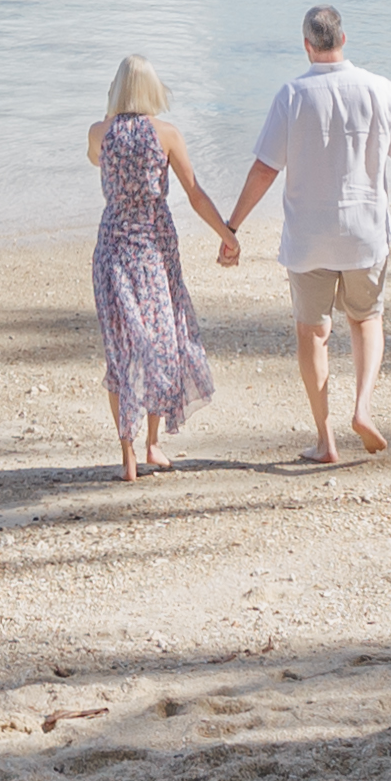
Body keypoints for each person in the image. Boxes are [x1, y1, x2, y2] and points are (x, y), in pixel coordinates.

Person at [220, 3, 391, 465]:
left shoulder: (292, 95)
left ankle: (325, 440)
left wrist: (232, 226)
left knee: (313, 333)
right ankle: (364, 408)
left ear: (307, 46)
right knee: (366, 320)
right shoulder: (379, 88)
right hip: (365, 232)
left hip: (309, 239)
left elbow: (264, 169)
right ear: (344, 40)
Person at [85, 56, 232, 479]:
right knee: (160, 344)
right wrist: (227, 233)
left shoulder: (100, 132)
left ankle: (130, 453)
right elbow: (195, 194)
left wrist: (114, 118)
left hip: (112, 246)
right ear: (153, 90)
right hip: (153, 248)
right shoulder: (166, 135)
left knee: (122, 349)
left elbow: (96, 159)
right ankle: (151, 443)